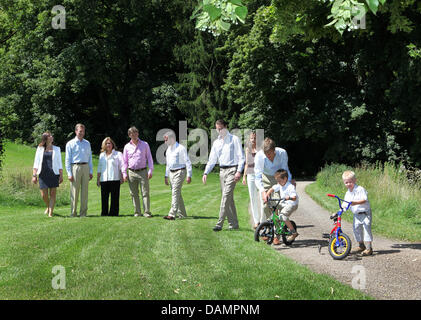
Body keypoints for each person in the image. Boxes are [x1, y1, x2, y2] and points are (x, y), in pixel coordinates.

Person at [202, 119, 245, 231]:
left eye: (221, 128)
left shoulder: (234, 139)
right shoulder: (216, 142)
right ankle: (234, 224)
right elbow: (212, 159)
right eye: (217, 129)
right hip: (222, 172)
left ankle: (219, 223)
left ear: (226, 126)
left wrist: (239, 171)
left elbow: (241, 156)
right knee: (229, 199)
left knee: (225, 196)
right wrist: (206, 172)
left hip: (232, 170)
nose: (219, 131)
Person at [254, 137, 295, 221]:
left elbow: (285, 170)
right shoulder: (259, 156)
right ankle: (272, 222)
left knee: (278, 202)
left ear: (274, 150)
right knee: (265, 203)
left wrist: (288, 183)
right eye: (265, 153)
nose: (267, 156)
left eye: (269, 153)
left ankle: (279, 224)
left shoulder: (282, 153)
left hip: (279, 177)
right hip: (265, 177)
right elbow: (257, 176)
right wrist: (262, 191)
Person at [122, 126, 154, 217]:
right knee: (134, 193)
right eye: (132, 133)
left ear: (138, 133)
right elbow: (124, 161)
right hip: (131, 172)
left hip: (143, 171)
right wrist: (124, 173)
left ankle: (147, 212)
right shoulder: (127, 147)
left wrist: (150, 170)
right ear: (129, 135)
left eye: (136, 132)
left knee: (145, 192)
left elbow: (150, 158)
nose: (134, 135)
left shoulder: (145, 144)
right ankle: (137, 212)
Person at [32, 131, 63, 217]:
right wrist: (34, 175)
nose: (52, 137)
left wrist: (61, 175)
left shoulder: (57, 149)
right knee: (43, 195)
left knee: (53, 193)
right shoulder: (40, 148)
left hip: (54, 173)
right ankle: (48, 206)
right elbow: (36, 162)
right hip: (43, 173)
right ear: (46, 138)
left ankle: (50, 213)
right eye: (50, 136)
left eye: (52, 135)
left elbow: (59, 163)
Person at [342, 170, 373, 256]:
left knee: (367, 230)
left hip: (365, 213)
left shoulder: (360, 189)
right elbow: (345, 204)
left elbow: (364, 199)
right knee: (356, 229)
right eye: (346, 182)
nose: (348, 184)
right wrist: (339, 211)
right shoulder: (348, 193)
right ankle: (361, 245)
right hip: (356, 215)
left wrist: (355, 203)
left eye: (350, 182)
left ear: (355, 180)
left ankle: (369, 248)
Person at [65, 123, 93, 217]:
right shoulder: (70, 143)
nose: (81, 133)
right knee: (74, 191)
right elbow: (67, 160)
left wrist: (91, 171)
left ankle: (83, 213)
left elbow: (90, 158)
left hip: (85, 167)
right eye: (80, 131)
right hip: (75, 167)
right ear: (76, 131)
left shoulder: (87, 143)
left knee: (85, 192)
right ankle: (73, 213)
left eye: (83, 131)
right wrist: (69, 173)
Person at [163, 131, 192, 220]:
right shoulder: (168, 149)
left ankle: (172, 214)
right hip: (171, 173)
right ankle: (183, 214)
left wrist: (189, 175)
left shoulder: (180, 148)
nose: (165, 142)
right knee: (177, 193)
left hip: (180, 172)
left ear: (172, 139)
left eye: (166, 140)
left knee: (175, 192)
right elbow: (168, 164)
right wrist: (166, 176)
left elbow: (187, 161)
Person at [265, 169, 299, 244]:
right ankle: (274, 227)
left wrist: (289, 197)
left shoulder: (290, 187)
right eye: (277, 181)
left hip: (292, 204)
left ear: (285, 179)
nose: (278, 183)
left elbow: (294, 197)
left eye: (279, 181)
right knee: (273, 205)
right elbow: (272, 188)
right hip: (284, 203)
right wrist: (267, 194)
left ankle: (293, 232)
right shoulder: (280, 185)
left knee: (283, 216)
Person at [96, 137, 123, 216]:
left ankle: (113, 213)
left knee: (115, 198)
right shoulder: (101, 155)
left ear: (112, 144)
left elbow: (121, 166)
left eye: (109, 143)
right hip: (104, 179)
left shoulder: (118, 154)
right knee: (104, 198)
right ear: (104, 145)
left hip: (115, 178)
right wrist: (98, 179)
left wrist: (122, 177)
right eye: (106, 143)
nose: (108, 145)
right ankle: (104, 213)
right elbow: (99, 168)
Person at [242, 131, 261, 229]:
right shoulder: (247, 149)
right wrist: (244, 176)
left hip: (259, 175)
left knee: (262, 198)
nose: (253, 140)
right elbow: (246, 163)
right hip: (250, 175)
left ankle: (263, 220)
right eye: (251, 138)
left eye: (254, 138)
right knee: (253, 198)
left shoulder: (260, 149)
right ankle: (257, 221)